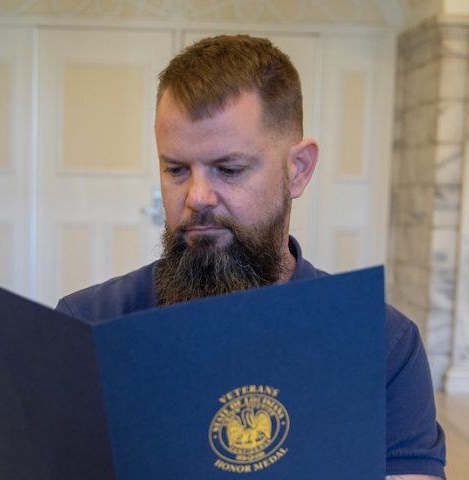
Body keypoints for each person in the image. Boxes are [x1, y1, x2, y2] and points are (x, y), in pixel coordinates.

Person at [55, 35, 446, 479]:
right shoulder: (87, 326)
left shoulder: (381, 345)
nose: (197, 197)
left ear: (297, 169)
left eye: (229, 169)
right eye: (176, 169)